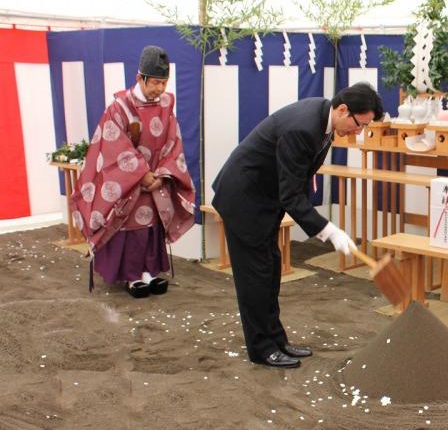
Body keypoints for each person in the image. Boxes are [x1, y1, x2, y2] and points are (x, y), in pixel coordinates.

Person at [212, 82, 384, 368]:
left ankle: (278, 340)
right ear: (343, 109)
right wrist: (329, 231)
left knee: (270, 272)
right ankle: (262, 349)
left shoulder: (324, 120)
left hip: (265, 201)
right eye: (359, 124)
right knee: (255, 279)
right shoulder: (303, 128)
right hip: (244, 200)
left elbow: (298, 173)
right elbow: (290, 194)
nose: (359, 132)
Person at [70, 45, 196, 298]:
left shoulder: (166, 103)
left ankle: (151, 271)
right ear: (140, 78)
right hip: (130, 182)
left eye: (164, 83)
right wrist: (142, 174)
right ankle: (132, 276)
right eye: (156, 83)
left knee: (152, 225)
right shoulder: (120, 106)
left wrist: (162, 174)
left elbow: (174, 140)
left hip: (157, 177)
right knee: (131, 228)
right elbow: (114, 144)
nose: (160, 89)